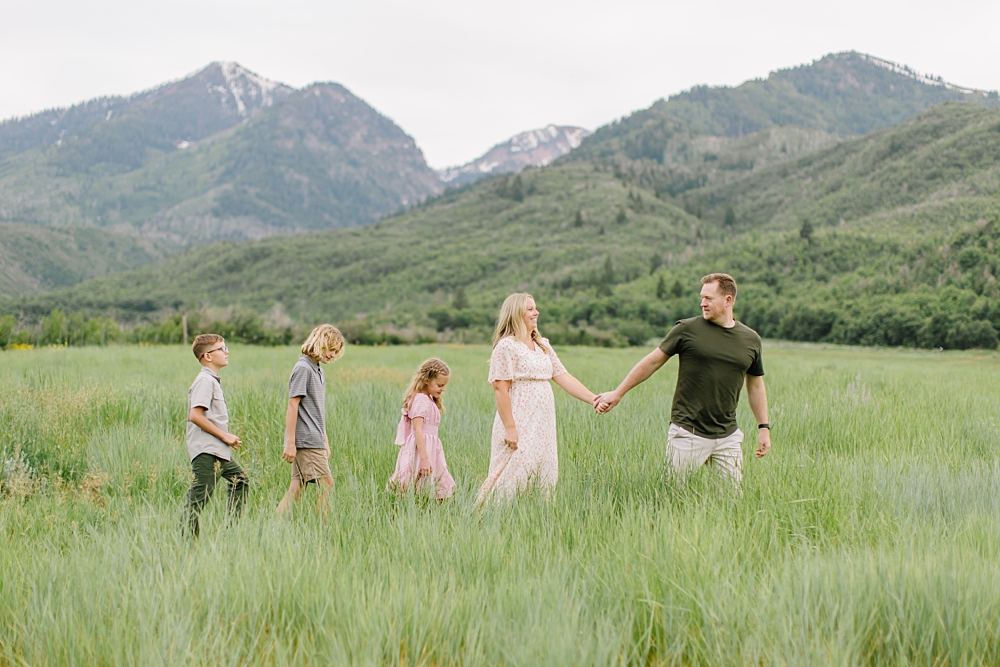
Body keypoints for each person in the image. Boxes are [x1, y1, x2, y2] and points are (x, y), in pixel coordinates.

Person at [595, 273, 771, 485]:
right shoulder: (687, 330)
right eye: (701, 297)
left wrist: (763, 427)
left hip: (728, 436)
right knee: (672, 494)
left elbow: (755, 385)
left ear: (728, 300)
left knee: (732, 500)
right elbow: (652, 362)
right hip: (688, 433)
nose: (702, 303)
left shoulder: (751, 339)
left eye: (708, 298)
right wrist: (618, 393)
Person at [475, 293, 597, 503]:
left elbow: (563, 376)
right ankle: (493, 515)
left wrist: (594, 399)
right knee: (515, 468)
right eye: (530, 309)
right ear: (516, 313)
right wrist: (510, 428)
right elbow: (500, 388)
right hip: (519, 419)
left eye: (535, 308)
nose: (536, 312)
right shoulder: (506, 346)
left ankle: (536, 514)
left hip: (543, 422)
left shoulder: (542, 344)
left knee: (542, 468)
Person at [276, 324, 346, 515]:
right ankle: (324, 528)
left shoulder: (317, 370)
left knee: (297, 488)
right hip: (306, 439)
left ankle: (272, 526)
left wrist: (325, 441)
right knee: (327, 484)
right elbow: (293, 405)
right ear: (320, 343)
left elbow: (316, 411)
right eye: (331, 349)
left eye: (336, 352)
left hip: (315, 438)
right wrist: (290, 443)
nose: (332, 355)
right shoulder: (303, 368)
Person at [183, 334, 248, 537]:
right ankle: (185, 543)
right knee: (198, 499)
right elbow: (195, 415)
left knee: (240, 480)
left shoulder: (211, 380)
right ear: (208, 356)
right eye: (222, 349)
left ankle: (230, 533)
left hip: (217, 450)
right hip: (206, 450)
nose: (227, 352)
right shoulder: (204, 381)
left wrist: (223, 438)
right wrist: (224, 435)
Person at [388, 358, 455, 500]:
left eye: (444, 386)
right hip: (421, 449)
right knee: (418, 484)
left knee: (436, 482)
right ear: (426, 380)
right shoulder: (421, 399)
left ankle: (428, 510)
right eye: (440, 385)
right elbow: (418, 429)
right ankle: (413, 509)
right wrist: (424, 458)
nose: (443, 389)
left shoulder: (428, 399)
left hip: (431, 447)